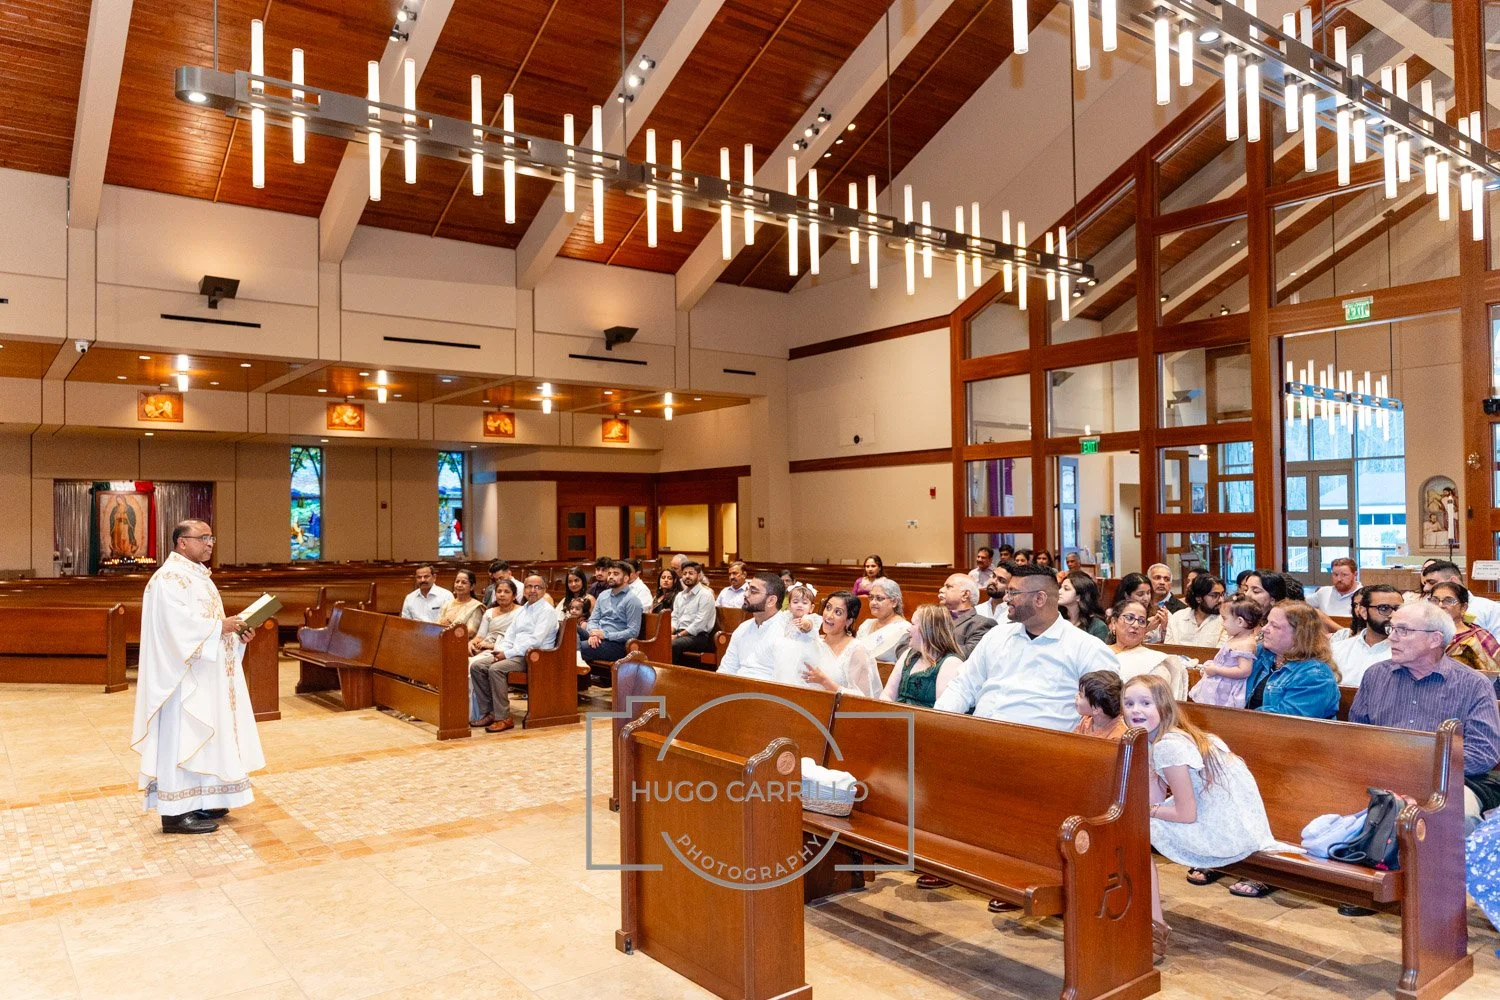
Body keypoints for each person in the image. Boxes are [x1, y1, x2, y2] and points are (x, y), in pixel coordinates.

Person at [1123, 674, 1276, 961]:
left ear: (1165, 708)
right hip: (1230, 818)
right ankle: (1144, 923)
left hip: (1224, 828)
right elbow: (1154, 797)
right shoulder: (1159, 739)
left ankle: (1153, 929)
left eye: (1145, 703)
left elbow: (1184, 812)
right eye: (1129, 703)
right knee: (1134, 825)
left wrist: (1148, 812)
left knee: (1134, 832)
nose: (1135, 710)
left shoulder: (1170, 744)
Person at [131, 520, 265, 834]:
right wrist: (222, 627)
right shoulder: (168, 579)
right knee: (184, 735)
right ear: (181, 542)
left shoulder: (200, 577)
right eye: (202, 538)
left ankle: (204, 798)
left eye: (211, 537)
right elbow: (177, 628)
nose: (209, 543)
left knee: (205, 735)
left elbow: (210, 624)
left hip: (205, 672)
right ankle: (176, 812)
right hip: (180, 678)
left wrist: (236, 635)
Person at [1350, 601, 1500, 833]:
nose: (1392, 638)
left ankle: (1449, 870)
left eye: (1404, 631)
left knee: (1458, 817)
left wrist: (1418, 766)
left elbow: (1483, 753)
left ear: (1434, 639)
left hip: (1452, 781)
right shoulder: (1376, 676)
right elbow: (1357, 736)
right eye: (1393, 629)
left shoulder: (1473, 684)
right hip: (1382, 774)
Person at [935, 564, 1120, 730]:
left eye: (1013, 593)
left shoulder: (1086, 649)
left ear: (1039, 599)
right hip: (980, 738)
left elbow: (1106, 713)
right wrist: (936, 722)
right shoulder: (997, 636)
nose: (1006, 598)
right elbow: (963, 686)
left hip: (1041, 753)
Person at [468, 575, 560, 733]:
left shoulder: (547, 611)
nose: (532, 590)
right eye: (529, 587)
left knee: (496, 669)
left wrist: (508, 653)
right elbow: (511, 634)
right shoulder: (523, 610)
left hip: (536, 657)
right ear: (524, 591)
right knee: (477, 666)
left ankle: (503, 717)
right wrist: (502, 650)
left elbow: (535, 641)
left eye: (537, 587)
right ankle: (490, 712)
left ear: (544, 590)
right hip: (516, 653)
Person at [1245, 602, 1341, 720]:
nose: (1264, 629)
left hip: (1293, 735)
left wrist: (1236, 718)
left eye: (1274, 626)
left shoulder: (1316, 676)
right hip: (1250, 729)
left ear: (1299, 634)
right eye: (1266, 622)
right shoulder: (1261, 652)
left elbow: (1287, 721)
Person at [789, 591, 881, 697]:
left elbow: (864, 698)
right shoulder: (815, 641)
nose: (829, 615)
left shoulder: (856, 650)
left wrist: (825, 682)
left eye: (838, 612)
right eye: (828, 608)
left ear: (849, 621)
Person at [881, 603, 966, 708]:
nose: (908, 629)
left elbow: (944, 712)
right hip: (898, 718)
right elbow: (887, 694)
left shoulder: (951, 663)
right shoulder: (909, 654)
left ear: (927, 629)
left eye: (913, 624)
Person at [894, 574, 995, 660]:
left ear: (965, 595)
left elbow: (967, 655)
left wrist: (924, 648)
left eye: (948, 586)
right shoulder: (932, 617)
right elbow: (901, 647)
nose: (941, 590)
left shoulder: (982, 624)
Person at [1188, 597, 1262, 708]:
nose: (1222, 624)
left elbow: (1244, 671)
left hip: (1226, 691)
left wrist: (1217, 670)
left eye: (1224, 619)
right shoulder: (1236, 637)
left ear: (1240, 622)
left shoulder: (1245, 644)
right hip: (1218, 684)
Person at [1110, 598, 1190, 699]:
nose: (1135, 625)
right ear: (1113, 623)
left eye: (1141, 621)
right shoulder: (1101, 652)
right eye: (1129, 618)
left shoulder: (1154, 663)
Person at [718, 572, 788, 680]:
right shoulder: (742, 628)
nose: (746, 594)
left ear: (771, 601)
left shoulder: (788, 630)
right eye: (747, 589)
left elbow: (787, 680)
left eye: (753, 591)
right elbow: (726, 669)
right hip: (737, 690)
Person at [1330, 584, 1399, 688]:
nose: (1393, 615)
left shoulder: (1410, 654)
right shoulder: (1337, 650)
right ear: (1363, 612)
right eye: (1384, 608)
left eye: (1398, 609)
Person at [579, 561, 643, 665]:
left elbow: (633, 632)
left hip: (615, 644)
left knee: (574, 648)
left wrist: (605, 635)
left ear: (626, 578)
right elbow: (593, 619)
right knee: (570, 629)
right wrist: (593, 633)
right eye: (609, 574)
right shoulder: (603, 595)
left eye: (615, 574)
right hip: (597, 638)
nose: (611, 577)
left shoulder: (632, 601)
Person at [1430, 581, 1500, 675]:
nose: (1440, 605)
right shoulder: (1420, 632)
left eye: (1449, 601)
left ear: (1463, 608)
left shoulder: (1478, 637)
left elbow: (1493, 675)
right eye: (1435, 600)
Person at [1422, 560, 1500, 635]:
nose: (1426, 588)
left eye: (1432, 582)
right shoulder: (1427, 607)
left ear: (1453, 581)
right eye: (1425, 583)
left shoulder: (1491, 609)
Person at [670, 561, 718, 665]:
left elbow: (699, 624)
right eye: (684, 574)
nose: (687, 576)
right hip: (680, 634)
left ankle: (671, 675)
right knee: (661, 641)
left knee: (672, 644)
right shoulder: (680, 596)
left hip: (698, 637)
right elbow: (675, 617)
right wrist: (669, 632)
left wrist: (678, 636)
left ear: (699, 575)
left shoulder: (705, 595)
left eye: (691, 573)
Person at [855, 577, 909, 663]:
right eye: (871, 597)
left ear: (894, 602)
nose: (873, 602)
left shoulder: (904, 629)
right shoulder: (866, 625)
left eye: (879, 598)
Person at [467, 578, 519, 667]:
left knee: (473, 664)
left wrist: (491, 646)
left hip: (506, 651)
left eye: (506, 592)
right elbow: (480, 636)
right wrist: (471, 642)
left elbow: (518, 640)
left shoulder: (521, 612)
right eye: (499, 591)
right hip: (484, 649)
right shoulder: (489, 612)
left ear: (514, 596)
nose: (502, 595)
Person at [1164, 574, 1225, 646]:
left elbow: (1221, 654)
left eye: (1222, 595)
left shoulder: (1226, 621)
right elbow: (1169, 650)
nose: (1221, 600)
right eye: (1214, 595)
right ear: (1198, 598)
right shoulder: (1178, 618)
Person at [1074, 670, 1127, 739]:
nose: (1076, 696)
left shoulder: (1117, 737)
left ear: (1096, 709)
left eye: (1080, 695)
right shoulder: (1086, 720)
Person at [1059, 570, 1110, 641]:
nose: (1059, 592)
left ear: (1079, 596)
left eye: (1066, 589)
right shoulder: (1057, 620)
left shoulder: (1097, 627)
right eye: (1060, 587)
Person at [1116, 572, 1168, 642]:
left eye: (1148, 593)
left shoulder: (1158, 613)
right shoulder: (1118, 616)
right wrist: (1147, 630)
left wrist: (1164, 627)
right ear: (1126, 595)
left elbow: (1168, 645)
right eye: (1140, 594)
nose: (1146, 598)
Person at [437, 569, 485, 636]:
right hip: (443, 640)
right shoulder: (447, 604)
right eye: (457, 582)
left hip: (463, 643)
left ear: (472, 586)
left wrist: (449, 628)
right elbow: (437, 625)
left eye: (464, 582)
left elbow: (470, 631)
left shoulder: (475, 607)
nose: (459, 585)